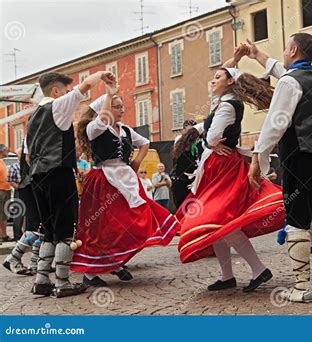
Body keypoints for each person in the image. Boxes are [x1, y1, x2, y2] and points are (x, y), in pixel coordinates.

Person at [244, 34, 312, 302]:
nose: (283, 52)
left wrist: (257, 157)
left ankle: (302, 287)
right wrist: (257, 55)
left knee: (297, 220)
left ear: (294, 50)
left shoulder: (290, 81)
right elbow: (284, 71)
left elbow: (275, 123)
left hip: (303, 155)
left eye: (286, 47)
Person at [176, 65, 285, 293]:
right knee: (214, 222)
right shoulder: (226, 102)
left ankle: (258, 269)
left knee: (220, 220)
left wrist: (206, 141)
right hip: (220, 165)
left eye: (217, 77)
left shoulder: (227, 105)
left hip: (221, 166)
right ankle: (228, 276)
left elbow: (214, 135)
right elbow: (211, 127)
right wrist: (197, 130)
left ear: (230, 82)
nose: (212, 80)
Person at [72, 84, 180, 286]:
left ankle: (116, 262)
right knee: (102, 227)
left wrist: (137, 162)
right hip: (104, 181)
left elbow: (145, 143)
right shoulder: (95, 128)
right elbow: (103, 119)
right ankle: (91, 273)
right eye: (117, 106)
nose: (122, 110)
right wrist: (109, 93)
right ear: (105, 108)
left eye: (122, 106)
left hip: (126, 180)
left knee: (132, 220)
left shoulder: (126, 130)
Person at [27, 71, 115, 297]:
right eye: (65, 91)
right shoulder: (58, 105)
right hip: (58, 172)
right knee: (65, 230)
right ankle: (63, 282)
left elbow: (29, 155)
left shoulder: (33, 116)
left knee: (48, 231)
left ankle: (41, 280)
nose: (69, 95)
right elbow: (84, 86)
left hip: (37, 176)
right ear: (56, 91)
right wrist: (103, 75)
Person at [3, 142, 42, 275]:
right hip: (29, 187)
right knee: (38, 227)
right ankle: (14, 258)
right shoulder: (33, 138)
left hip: (31, 186)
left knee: (39, 227)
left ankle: (34, 263)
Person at [170, 120, 204, 208]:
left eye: (193, 131)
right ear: (183, 130)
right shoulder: (180, 140)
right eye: (188, 131)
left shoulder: (200, 142)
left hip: (194, 179)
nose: (191, 135)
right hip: (180, 179)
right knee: (181, 206)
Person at [7, 148, 22, 240]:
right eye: (20, 154)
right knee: (19, 214)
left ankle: (28, 235)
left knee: (30, 214)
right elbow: (10, 180)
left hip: (30, 191)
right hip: (19, 191)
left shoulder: (29, 165)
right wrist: (18, 187)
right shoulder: (14, 166)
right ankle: (17, 236)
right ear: (18, 155)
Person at [0, 144, 12, 242]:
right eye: (6, 150)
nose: (7, 151)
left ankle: (4, 235)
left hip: (6, 190)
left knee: (4, 214)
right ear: (1, 151)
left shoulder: (2, 161)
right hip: (1, 191)